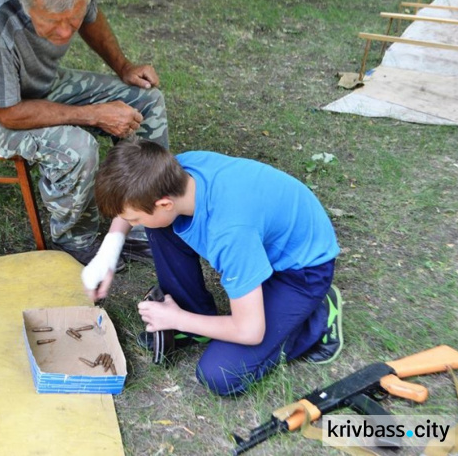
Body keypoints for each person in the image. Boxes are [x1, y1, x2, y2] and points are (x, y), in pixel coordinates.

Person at [0, 0, 167, 266]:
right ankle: (74, 242)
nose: (64, 33)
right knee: (77, 148)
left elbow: (91, 17)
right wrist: (94, 114)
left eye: (70, 20)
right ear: (26, 3)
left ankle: (141, 222)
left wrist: (124, 66)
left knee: (145, 100)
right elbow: (9, 114)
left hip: (39, 82)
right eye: (51, 21)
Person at [81, 139, 343, 396]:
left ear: (164, 204)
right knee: (158, 227)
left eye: (133, 219)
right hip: (261, 241)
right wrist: (109, 252)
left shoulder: (230, 233)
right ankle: (194, 322)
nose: (130, 223)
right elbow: (132, 202)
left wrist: (174, 319)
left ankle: (317, 321)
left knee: (221, 374)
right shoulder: (175, 172)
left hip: (301, 272)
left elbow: (250, 331)